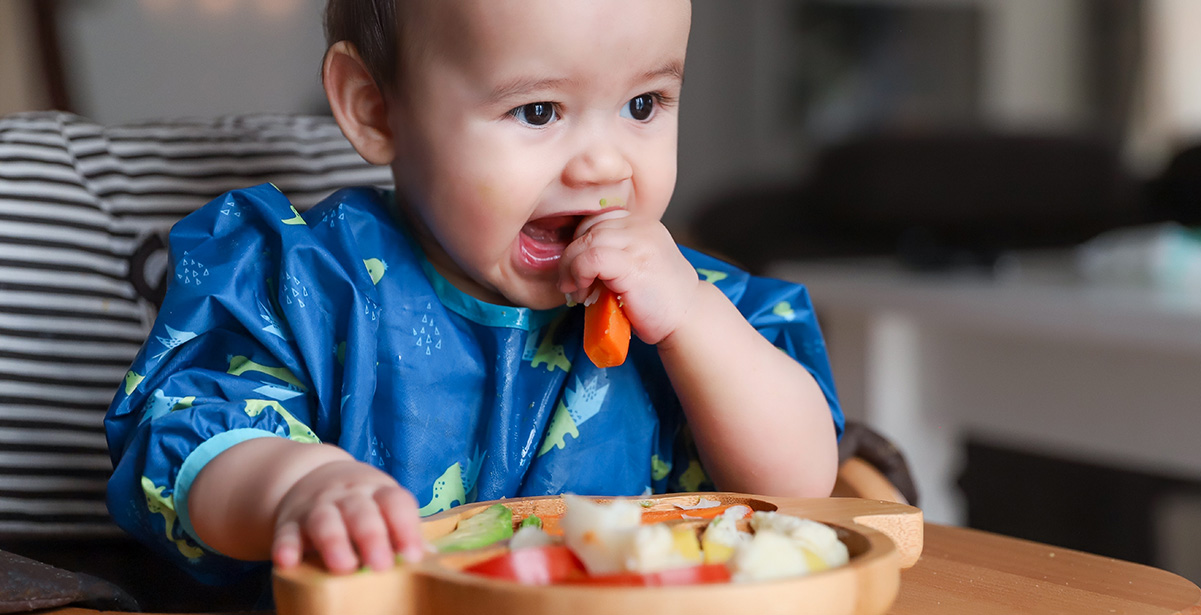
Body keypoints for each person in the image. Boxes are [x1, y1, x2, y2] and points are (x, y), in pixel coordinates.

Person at [104, 0, 842, 586]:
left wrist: (692, 321)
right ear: (376, 108)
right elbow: (189, 443)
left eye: (644, 104)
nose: (605, 164)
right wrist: (300, 487)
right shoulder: (305, 284)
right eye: (538, 111)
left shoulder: (695, 306)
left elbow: (803, 486)